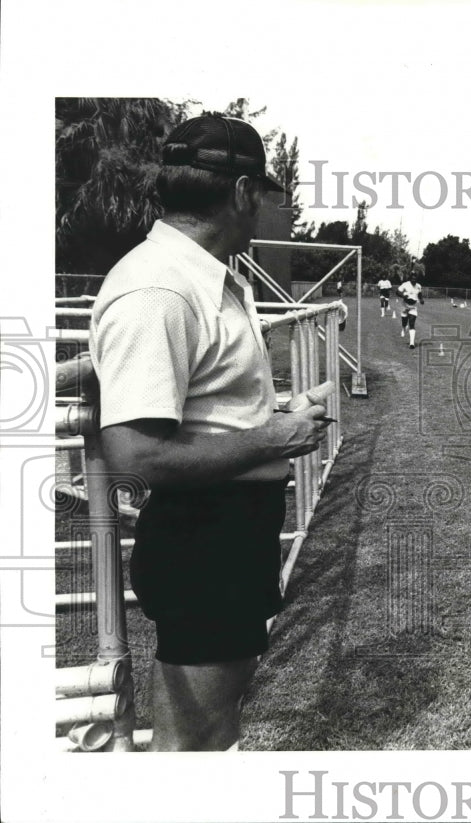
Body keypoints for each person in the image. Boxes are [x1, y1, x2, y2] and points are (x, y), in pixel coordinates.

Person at [89, 114, 333, 750]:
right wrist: (274, 440)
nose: (264, 215)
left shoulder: (203, 278)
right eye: (264, 200)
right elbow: (135, 459)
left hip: (226, 531)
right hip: (203, 538)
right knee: (194, 742)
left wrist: (272, 414)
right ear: (244, 193)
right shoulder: (159, 290)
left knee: (212, 726)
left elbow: (203, 405)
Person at [397, 268, 424, 349]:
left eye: (415, 278)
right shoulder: (405, 284)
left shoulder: (418, 286)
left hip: (413, 307)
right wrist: (403, 296)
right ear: (410, 278)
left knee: (412, 323)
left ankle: (411, 343)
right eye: (412, 278)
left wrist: (421, 299)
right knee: (404, 322)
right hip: (404, 306)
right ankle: (403, 328)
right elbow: (397, 292)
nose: (414, 280)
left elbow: (419, 294)